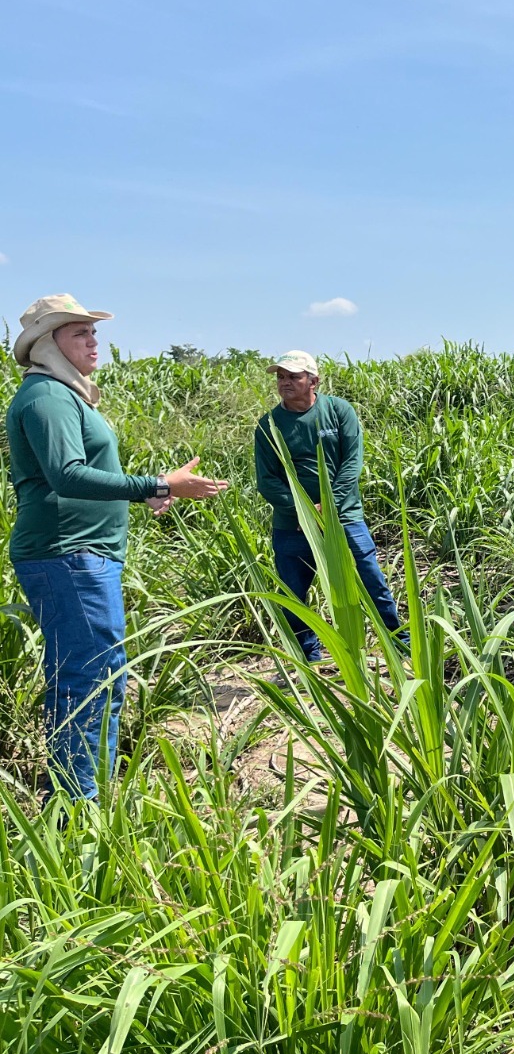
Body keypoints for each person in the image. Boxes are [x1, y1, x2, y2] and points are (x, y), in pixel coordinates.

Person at [6, 295, 228, 800]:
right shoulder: (47, 397)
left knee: (101, 677)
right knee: (88, 682)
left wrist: (149, 490)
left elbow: (82, 475)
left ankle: (87, 798)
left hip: (84, 557)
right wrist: (159, 482)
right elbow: (66, 475)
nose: (93, 341)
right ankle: (74, 809)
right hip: (68, 557)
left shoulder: (65, 395)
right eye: (79, 332)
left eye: (93, 331)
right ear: (48, 343)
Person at [254, 350, 409, 663]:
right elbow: (267, 480)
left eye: (293, 376)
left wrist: (329, 505)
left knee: (372, 581)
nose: (284, 382)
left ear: (313, 381)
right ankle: (308, 657)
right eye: (280, 377)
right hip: (293, 524)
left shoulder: (338, 411)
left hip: (345, 518)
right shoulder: (269, 425)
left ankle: (400, 646)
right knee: (293, 595)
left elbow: (351, 463)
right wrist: (304, 512)